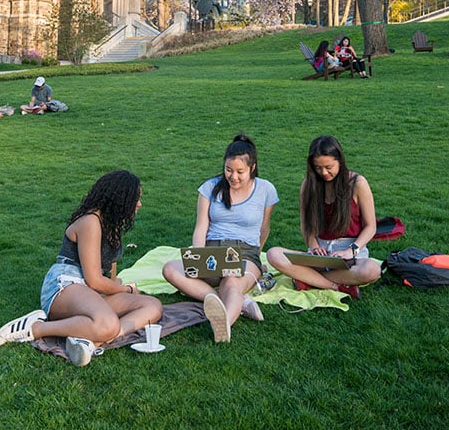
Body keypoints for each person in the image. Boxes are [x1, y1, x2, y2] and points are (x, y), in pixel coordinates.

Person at [0, 170, 163, 367]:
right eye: (136, 198)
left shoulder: (113, 225)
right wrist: (127, 290)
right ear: (120, 199)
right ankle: (37, 327)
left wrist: (116, 288)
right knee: (108, 322)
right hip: (66, 285)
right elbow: (95, 280)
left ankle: (92, 340)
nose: (139, 204)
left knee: (153, 306)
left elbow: (108, 275)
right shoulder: (91, 222)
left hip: (92, 292)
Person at [162, 134, 278, 343]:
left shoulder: (266, 190)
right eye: (229, 170)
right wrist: (198, 256)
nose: (233, 176)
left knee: (231, 281)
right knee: (170, 269)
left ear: (252, 168)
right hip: (213, 253)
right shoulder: (209, 188)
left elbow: (264, 229)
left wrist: (258, 260)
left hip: (245, 253)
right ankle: (231, 302)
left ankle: (223, 325)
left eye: (240, 172)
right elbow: (200, 228)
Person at [267, 135, 382, 299]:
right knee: (273, 254)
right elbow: (306, 225)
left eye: (329, 167)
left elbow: (371, 226)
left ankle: (307, 279)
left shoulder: (358, 183)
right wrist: (314, 246)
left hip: (349, 252)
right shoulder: (308, 185)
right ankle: (334, 286)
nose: (324, 172)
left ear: (340, 161)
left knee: (372, 270)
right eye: (318, 168)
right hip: (320, 253)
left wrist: (351, 250)